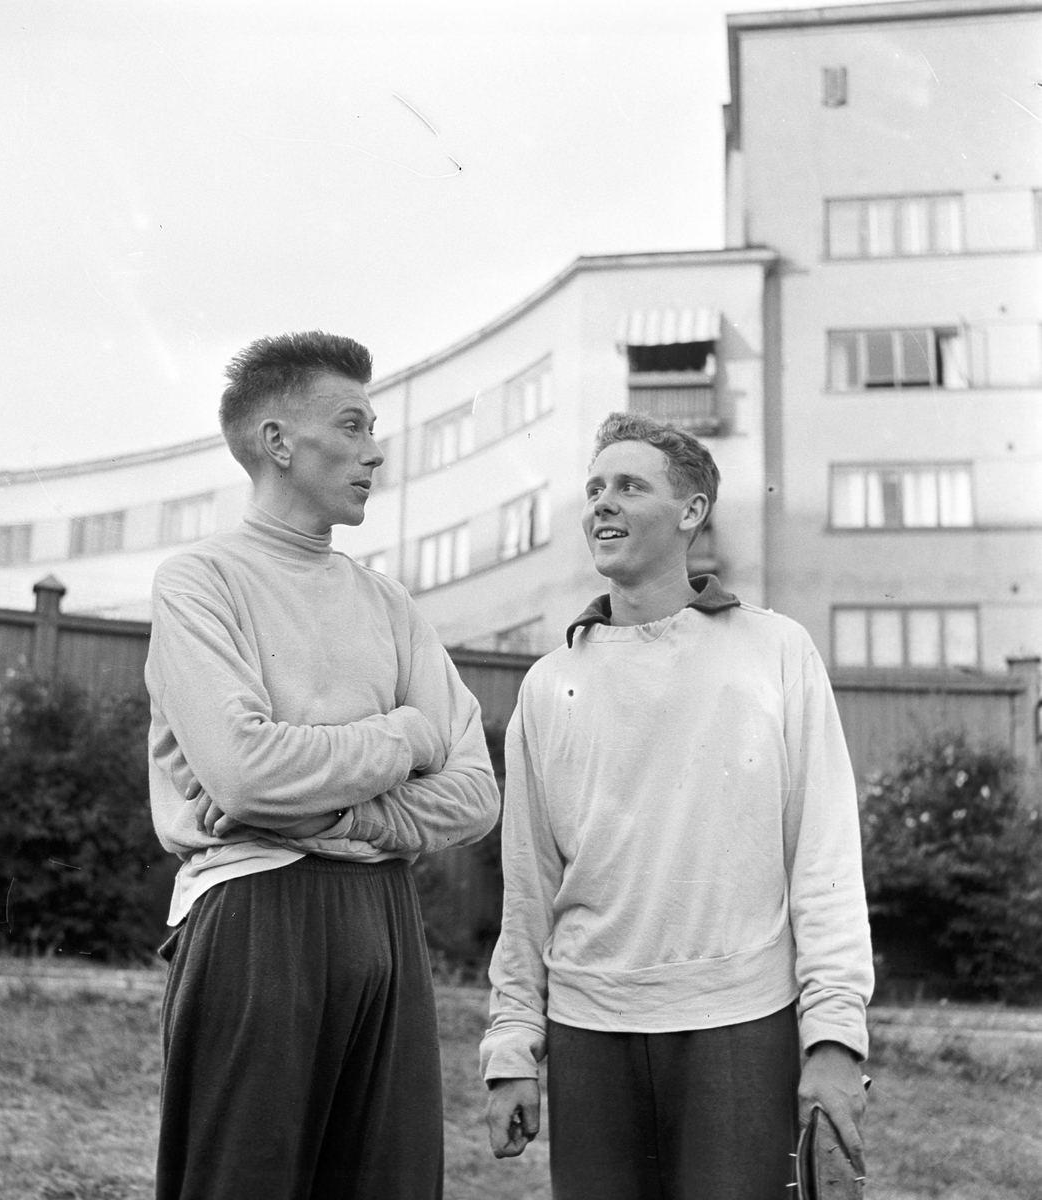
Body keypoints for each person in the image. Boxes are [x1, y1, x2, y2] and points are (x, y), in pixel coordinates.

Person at [481, 413, 873, 1200]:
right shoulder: (547, 682)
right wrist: (512, 1044)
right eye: (593, 488)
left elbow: (824, 856)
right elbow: (526, 886)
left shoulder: (775, 651)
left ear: (691, 512)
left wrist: (834, 1038)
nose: (602, 504)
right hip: (589, 1030)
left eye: (629, 486)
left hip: (739, 1024)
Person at [146, 330, 500, 1200]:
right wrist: (406, 738)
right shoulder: (201, 581)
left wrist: (348, 816)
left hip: (383, 913)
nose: (375, 450)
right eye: (351, 425)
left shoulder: (386, 601)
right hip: (256, 908)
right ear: (277, 442)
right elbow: (246, 773)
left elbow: (475, 793)